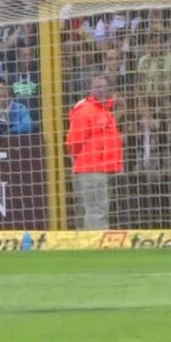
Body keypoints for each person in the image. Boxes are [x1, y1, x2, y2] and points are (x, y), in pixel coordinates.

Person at [65, 76, 122, 230]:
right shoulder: (86, 111)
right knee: (97, 211)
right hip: (92, 169)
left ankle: (89, 244)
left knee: (96, 209)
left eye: (104, 87)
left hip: (100, 169)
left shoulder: (102, 110)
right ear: (90, 90)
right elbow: (73, 143)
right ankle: (97, 247)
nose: (101, 90)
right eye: (97, 87)